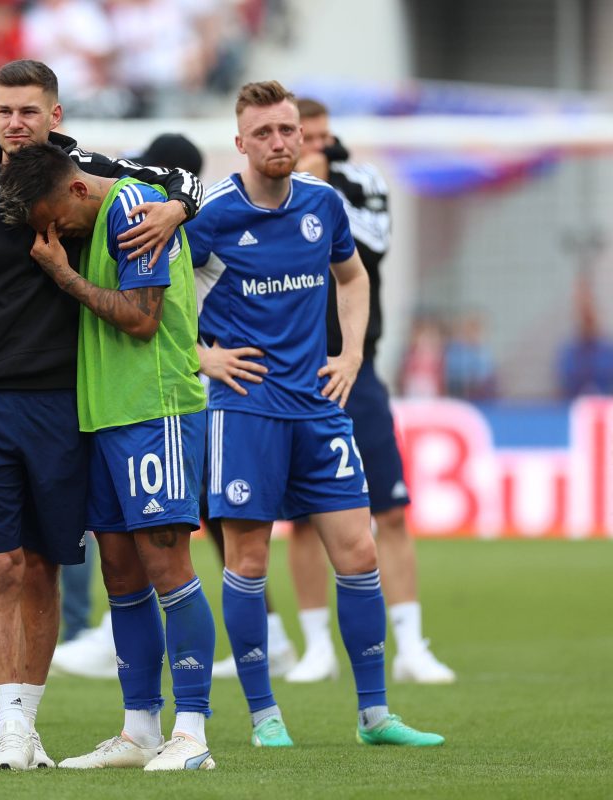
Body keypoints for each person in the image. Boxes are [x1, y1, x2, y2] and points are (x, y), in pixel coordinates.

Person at [0, 59, 201, 771]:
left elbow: (182, 181)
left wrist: (177, 206)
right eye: (3, 110)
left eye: (28, 111)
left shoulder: (95, 177)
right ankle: (17, 732)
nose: (15, 122)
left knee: (53, 566)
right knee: (5, 566)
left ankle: (152, 731)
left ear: (55, 115)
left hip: (78, 409)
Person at [186, 80, 443, 747]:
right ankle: (265, 716)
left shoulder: (324, 204)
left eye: (287, 130)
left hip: (319, 408)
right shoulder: (212, 215)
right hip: (244, 412)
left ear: (302, 136)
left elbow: (353, 277)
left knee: (358, 553)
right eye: (263, 133)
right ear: (239, 142)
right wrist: (202, 359)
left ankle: (375, 716)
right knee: (246, 561)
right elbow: (155, 299)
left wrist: (351, 352)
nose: (277, 142)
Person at [0, 143, 216, 771]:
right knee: (120, 572)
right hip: (105, 417)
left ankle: (193, 734)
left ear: (75, 191)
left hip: (155, 410)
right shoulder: (96, 216)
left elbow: (142, 320)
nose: (54, 233)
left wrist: (62, 275)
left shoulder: (133, 210)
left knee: (166, 563)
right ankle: (141, 729)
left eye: (55, 219)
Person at [281, 98, 455, 685]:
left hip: (359, 370)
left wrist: (322, 187)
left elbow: (372, 249)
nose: (321, 147)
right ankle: (315, 647)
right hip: (295, 376)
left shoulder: (361, 182)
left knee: (391, 510)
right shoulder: (270, 195)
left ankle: (411, 644)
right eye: (312, 138)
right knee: (303, 520)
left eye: (327, 137)